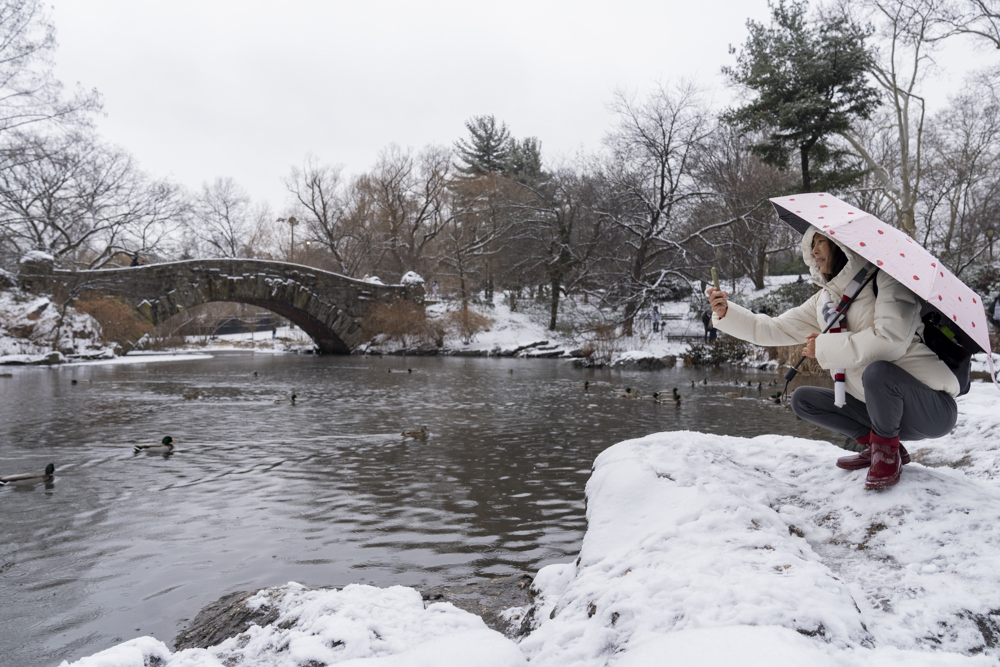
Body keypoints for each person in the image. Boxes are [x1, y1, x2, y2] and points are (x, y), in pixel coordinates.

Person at [706, 229, 960, 490]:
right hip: (881, 412)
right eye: (812, 245)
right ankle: (880, 446)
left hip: (931, 409)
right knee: (803, 400)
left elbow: (890, 341)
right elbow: (772, 328)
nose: (814, 250)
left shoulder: (885, 281)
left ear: (842, 246)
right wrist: (727, 313)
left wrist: (823, 347)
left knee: (878, 372)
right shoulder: (825, 301)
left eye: (821, 242)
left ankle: (886, 456)